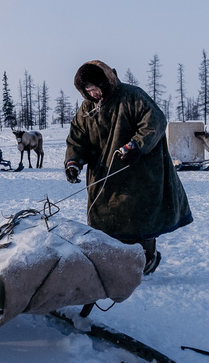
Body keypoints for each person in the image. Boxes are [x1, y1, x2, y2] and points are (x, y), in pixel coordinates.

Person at [64, 60, 192, 274]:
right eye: (88, 90)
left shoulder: (132, 96)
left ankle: (146, 260)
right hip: (104, 177)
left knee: (139, 221)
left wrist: (136, 145)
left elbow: (155, 122)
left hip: (137, 173)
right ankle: (114, 264)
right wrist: (73, 162)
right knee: (104, 222)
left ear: (105, 82)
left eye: (96, 88)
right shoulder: (87, 109)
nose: (93, 93)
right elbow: (78, 137)